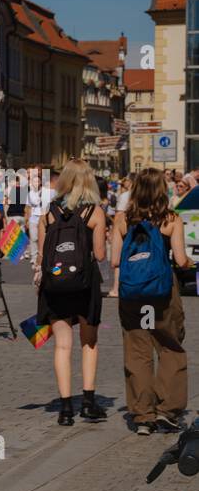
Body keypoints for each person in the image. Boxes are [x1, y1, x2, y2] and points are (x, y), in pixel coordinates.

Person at [111, 168, 191, 435]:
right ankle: (167, 410)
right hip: (162, 293)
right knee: (169, 346)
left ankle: (142, 415)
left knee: (138, 351)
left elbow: (114, 261)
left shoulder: (122, 220)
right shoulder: (171, 220)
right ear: (161, 191)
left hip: (134, 294)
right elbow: (180, 260)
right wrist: (191, 263)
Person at [35, 158, 107, 427]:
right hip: (85, 285)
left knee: (62, 345)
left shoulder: (48, 213)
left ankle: (65, 408)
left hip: (55, 285)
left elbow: (43, 256)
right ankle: (88, 403)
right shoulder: (95, 213)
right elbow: (100, 254)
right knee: (89, 342)